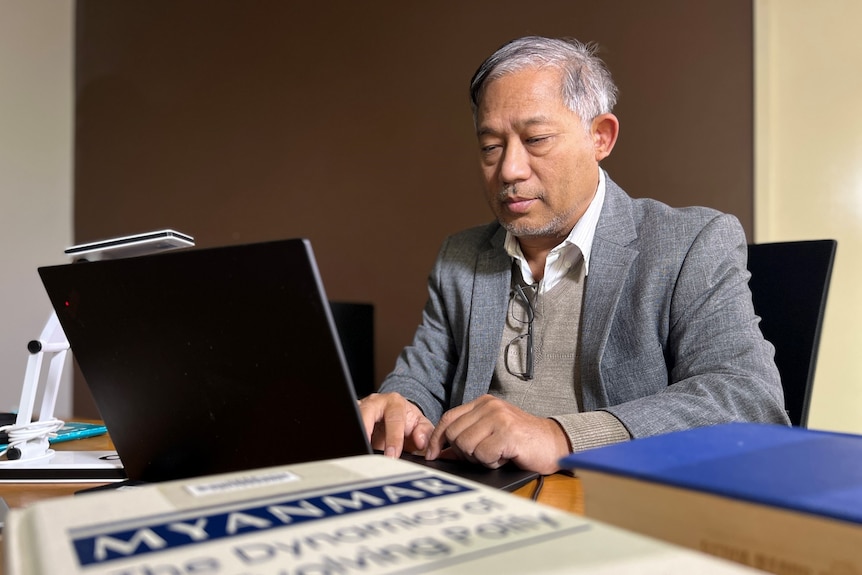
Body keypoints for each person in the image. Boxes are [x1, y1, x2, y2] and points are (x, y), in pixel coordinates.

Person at [359, 36, 790, 475]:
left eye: (537, 139)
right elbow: (422, 377)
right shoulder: (461, 255)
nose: (509, 169)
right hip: (484, 501)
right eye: (490, 146)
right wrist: (403, 406)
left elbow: (748, 398)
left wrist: (562, 438)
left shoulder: (690, 242)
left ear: (600, 137)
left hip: (616, 501)